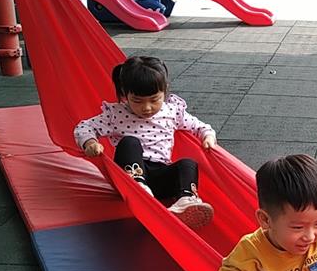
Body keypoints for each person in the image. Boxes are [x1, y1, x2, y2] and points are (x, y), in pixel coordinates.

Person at [74, 55, 216, 230]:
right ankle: (138, 187)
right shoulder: (116, 114)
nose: (147, 107)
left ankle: (185, 201)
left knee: (188, 163)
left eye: (154, 99)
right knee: (130, 143)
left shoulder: (172, 111)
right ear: (125, 94)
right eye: (137, 101)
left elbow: (199, 125)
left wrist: (207, 136)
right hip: (130, 173)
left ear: (165, 91)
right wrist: (90, 142)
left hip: (159, 176)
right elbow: (84, 127)